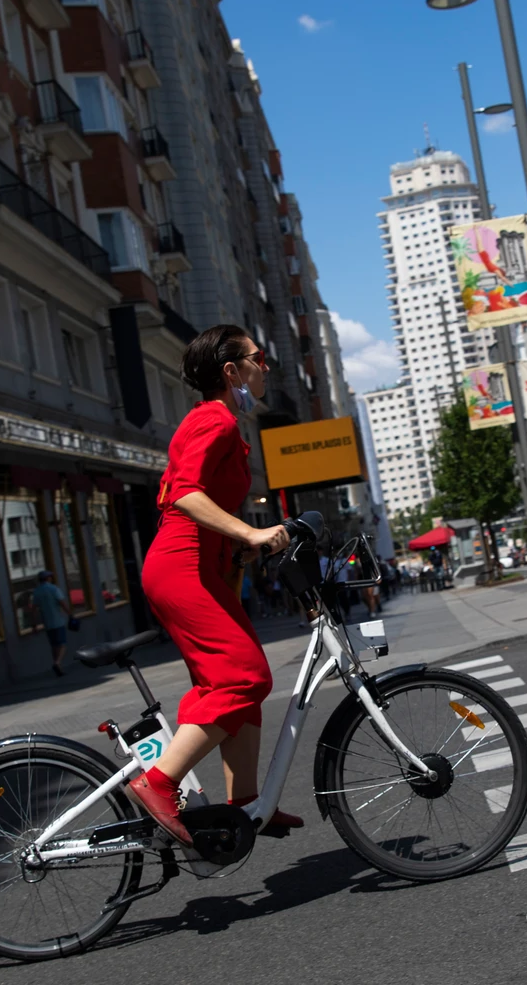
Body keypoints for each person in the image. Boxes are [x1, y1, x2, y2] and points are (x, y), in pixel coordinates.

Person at [127, 325, 300, 847]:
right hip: (180, 565)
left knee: (241, 681)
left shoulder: (224, 422)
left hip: (202, 566)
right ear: (232, 371)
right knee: (243, 676)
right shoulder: (214, 419)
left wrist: (241, 550)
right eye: (259, 357)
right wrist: (249, 530)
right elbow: (183, 494)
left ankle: (246, 805)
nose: (265, 366)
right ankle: (157, 782)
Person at [32, 569, 73, 677]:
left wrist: (34, 624)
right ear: (48, 578)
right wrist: (70, 614)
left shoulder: (37, 592)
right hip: (58, 621)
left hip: (47, 623)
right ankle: (57, 662)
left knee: (54, 645)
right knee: (62, 644)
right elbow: (62, 603)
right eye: (50, 577)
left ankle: (57, 665)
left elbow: (34, 609)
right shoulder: (54, 589)